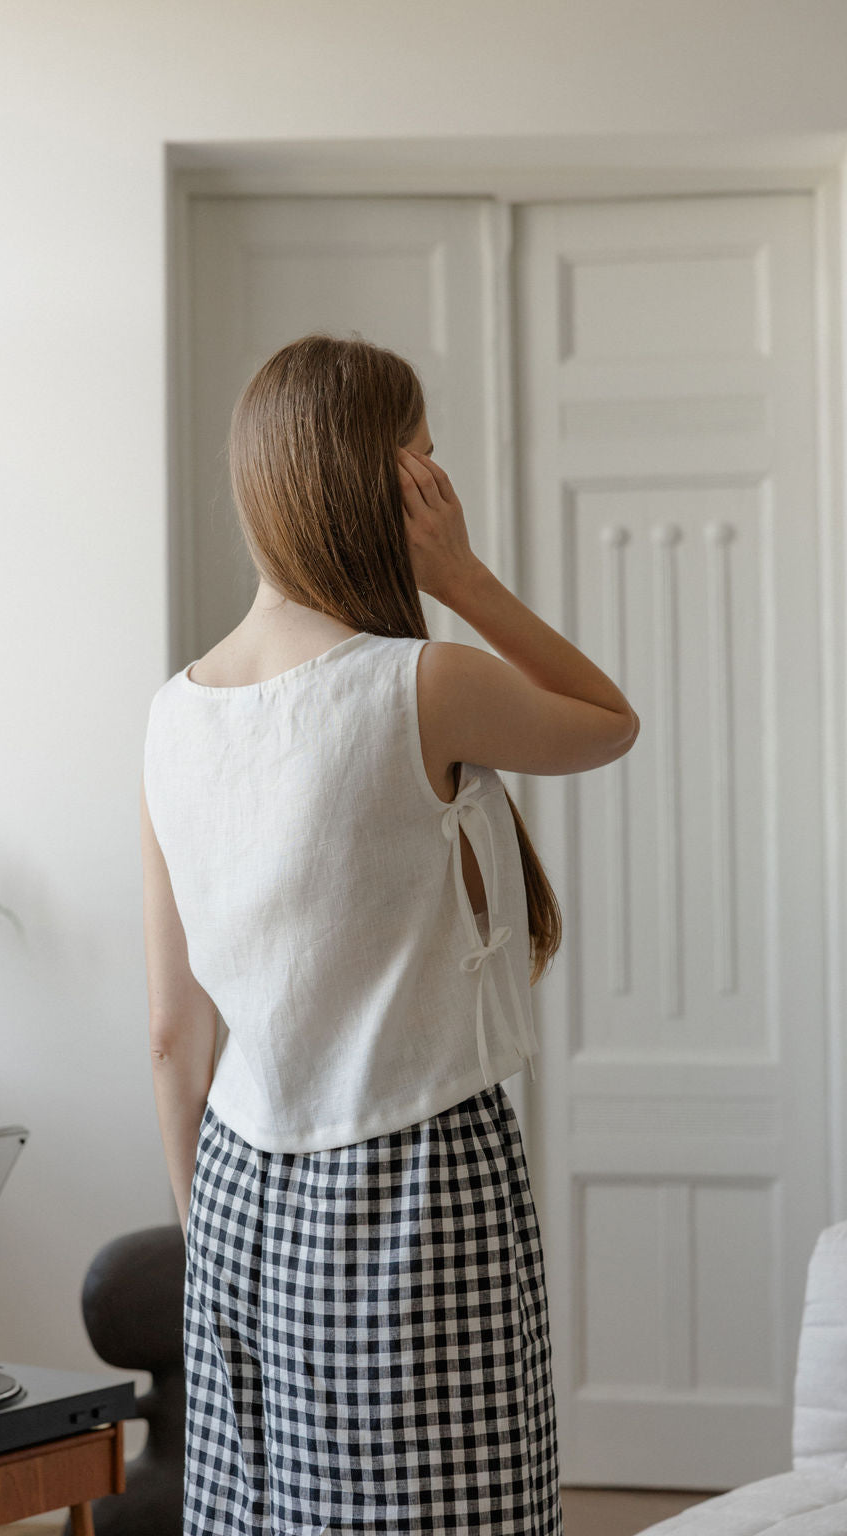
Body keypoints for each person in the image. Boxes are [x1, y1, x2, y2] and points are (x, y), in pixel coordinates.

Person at [140, 332, 639, 1535]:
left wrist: (207, 1233)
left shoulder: (171, 715)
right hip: (419, 1182)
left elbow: (170, 1034)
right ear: (387, 487)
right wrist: (460, 577)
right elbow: (607, 721)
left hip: (239, 1191)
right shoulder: (418, 683)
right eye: (421, 458)